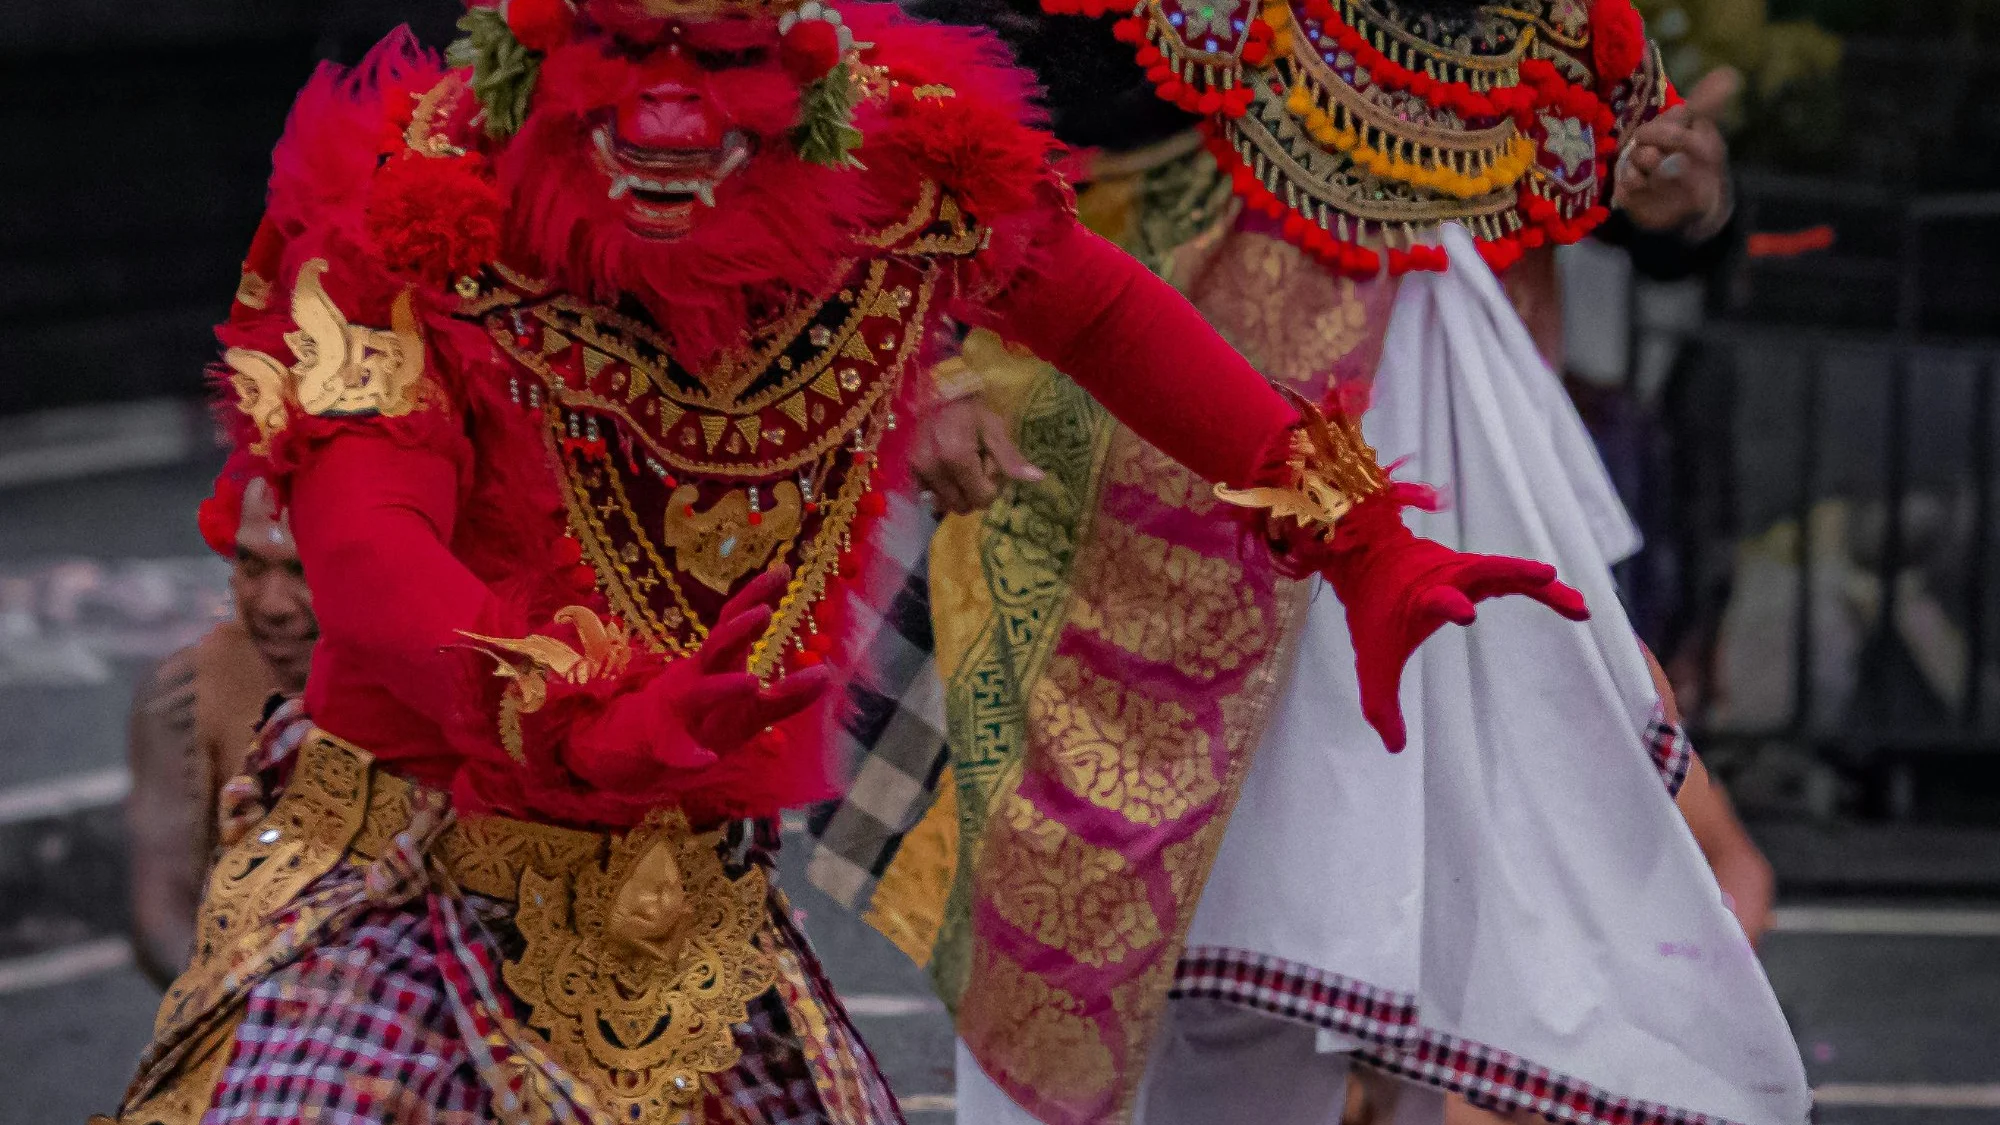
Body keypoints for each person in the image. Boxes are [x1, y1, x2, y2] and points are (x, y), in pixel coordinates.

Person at [99, 0, 1577, 1120]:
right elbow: (369, 541)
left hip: (688, 910)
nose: (668, 110)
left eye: (718, 51)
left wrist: (1364, 541)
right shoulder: (419, 213)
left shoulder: (898, 170)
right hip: (405, 889)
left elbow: (1108, 319)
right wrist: (572, 706)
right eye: (622, 44)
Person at [812, 0, 1809, 1122]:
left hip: (1415, 448)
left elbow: (1612, 164)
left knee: (1305, 917)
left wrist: (1686, 207)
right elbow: (927, 117)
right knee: (1068, 907)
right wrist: (928, 358)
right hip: (1118, 465)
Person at [125, 459, 317, 986]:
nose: (273, 606)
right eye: (251, 566)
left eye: (303, 569)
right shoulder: (187, 692)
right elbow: (161, 915)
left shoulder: (460, 679)